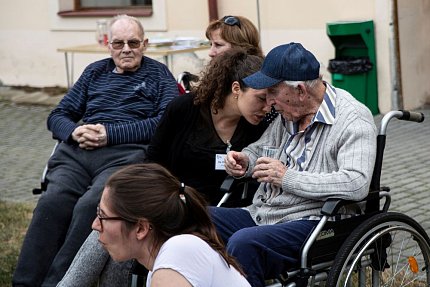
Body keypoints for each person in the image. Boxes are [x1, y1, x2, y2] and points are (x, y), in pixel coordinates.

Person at [58, 48, 271, 286]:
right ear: (235, 89)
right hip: (170, 198)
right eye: (261, 98)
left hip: (218, 211)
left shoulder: (262, 125)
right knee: (119, 224)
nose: (267, 107)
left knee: (124, 226)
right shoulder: (184, 109)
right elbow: (154, 160)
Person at [12, 15, 178, 287]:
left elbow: (165, 122)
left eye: (133, 42)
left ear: (145, 44)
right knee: (52, 203)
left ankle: (59, 282)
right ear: (108, 45)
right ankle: (25, 283)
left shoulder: (158, 74)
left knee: (91, 206)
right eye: (119, 43)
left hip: (126, 155)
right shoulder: (94, 71)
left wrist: (111, 134)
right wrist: (74, 132)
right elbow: (58, 115)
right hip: (78, 153)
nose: (126, 49)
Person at [210, 42, 377, 287]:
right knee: (192, 218)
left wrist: (287, 177)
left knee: (244, 243)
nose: (268, 103)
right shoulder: (289, 113)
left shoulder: (352, 119)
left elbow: (356, 183)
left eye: (271, 93)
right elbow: (260, 149)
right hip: (264, 214)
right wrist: (246, 161)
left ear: (300, 90)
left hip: (316, 223)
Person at [93, 163, 252, 287]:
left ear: (141, 228)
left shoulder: (177, 253)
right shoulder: (165, 261)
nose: (95, 225)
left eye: (103, 216)